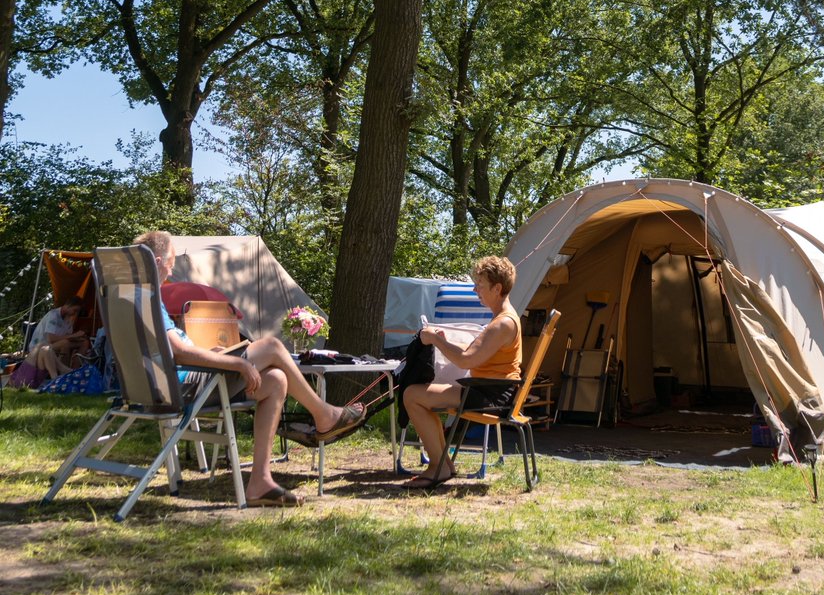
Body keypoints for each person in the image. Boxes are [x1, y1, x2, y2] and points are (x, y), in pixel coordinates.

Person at [133, 230, 366, 507]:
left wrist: (213, 354)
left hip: (177, 381)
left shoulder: (133, 296)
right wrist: (237, 362)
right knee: (272, 347)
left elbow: (172, 349)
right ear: (157, 260)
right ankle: (324, 415)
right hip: (185, 386)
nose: (172, 268)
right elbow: (180, 352)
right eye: (171, 261)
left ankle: (260, 482)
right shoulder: (146, 299)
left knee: (277, 379)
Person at [400, 255, 521, 489]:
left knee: (412, 395)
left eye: (480, 286)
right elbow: (473, 354)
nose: (476, 290)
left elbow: (466, 360)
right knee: (419, 395)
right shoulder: (503, 318)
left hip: (490, 395)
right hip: (490, 389)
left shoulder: (502, 323)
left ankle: (439, 466)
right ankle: (442, 464)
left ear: (497, 288)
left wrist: (436, 339)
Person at [15, 296, 89, 385]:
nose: (75, 313)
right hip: (40, 347)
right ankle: (64, 374)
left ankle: (75, 370)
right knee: (65, 343)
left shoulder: (69, 319)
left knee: (84, 343)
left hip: (53, 345)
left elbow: (67, 336)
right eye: (75, 310)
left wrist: (78, 338)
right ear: (68, 306)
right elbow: (51, 339)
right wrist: (74, 335)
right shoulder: (53, 315)